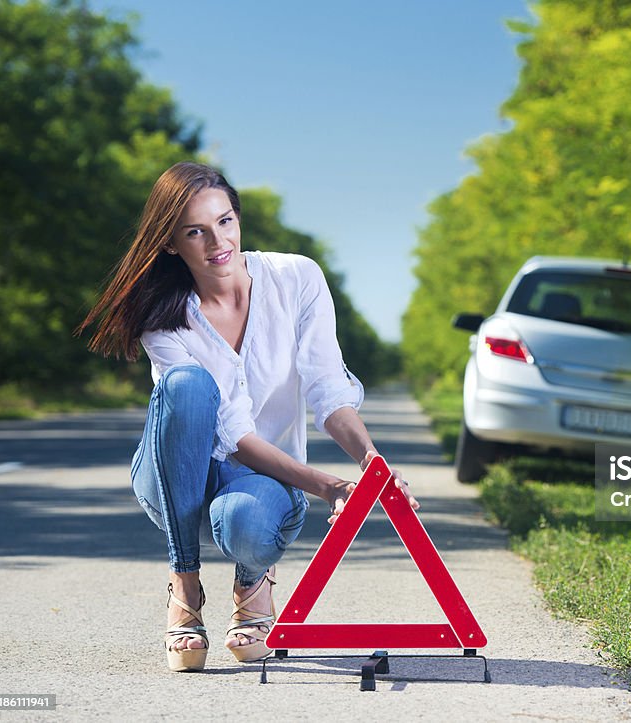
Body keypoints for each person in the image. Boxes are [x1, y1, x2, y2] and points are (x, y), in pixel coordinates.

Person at [78, 161, 417, 672]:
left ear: (238, 218)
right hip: (174, 473)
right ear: (170, 243)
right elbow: (232, 434)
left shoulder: (297, 277)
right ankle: (184, 585)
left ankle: (253, 581)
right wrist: (327, 485)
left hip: (259, 476)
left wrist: (374, 467)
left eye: (225, 222)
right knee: (187, 387)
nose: (217, 242)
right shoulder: (163, 319)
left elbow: (327, 388)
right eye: (195, 231)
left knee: (245, 526)